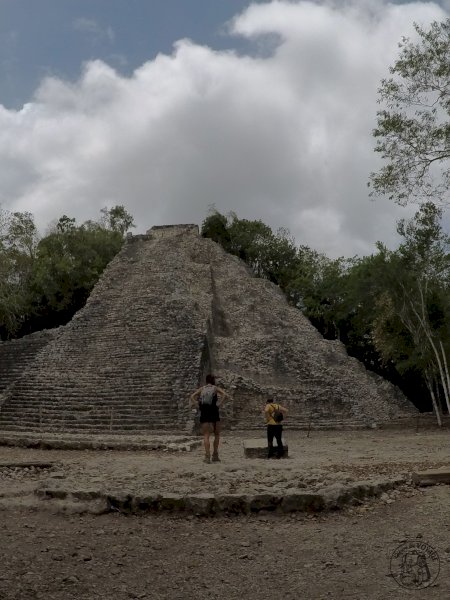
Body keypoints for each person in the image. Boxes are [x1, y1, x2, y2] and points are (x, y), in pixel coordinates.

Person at [190, 374, 230, 463]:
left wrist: (197, 405)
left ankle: (207, 457)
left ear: (206, 380)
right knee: (217, 434)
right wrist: (219, 404)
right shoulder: (215, 388)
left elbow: (192, 396)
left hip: (204, 412)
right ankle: (215, 455)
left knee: (206, 435)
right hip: (214, 412)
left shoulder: (202, 389)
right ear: (213, 381)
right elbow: (225, 395)